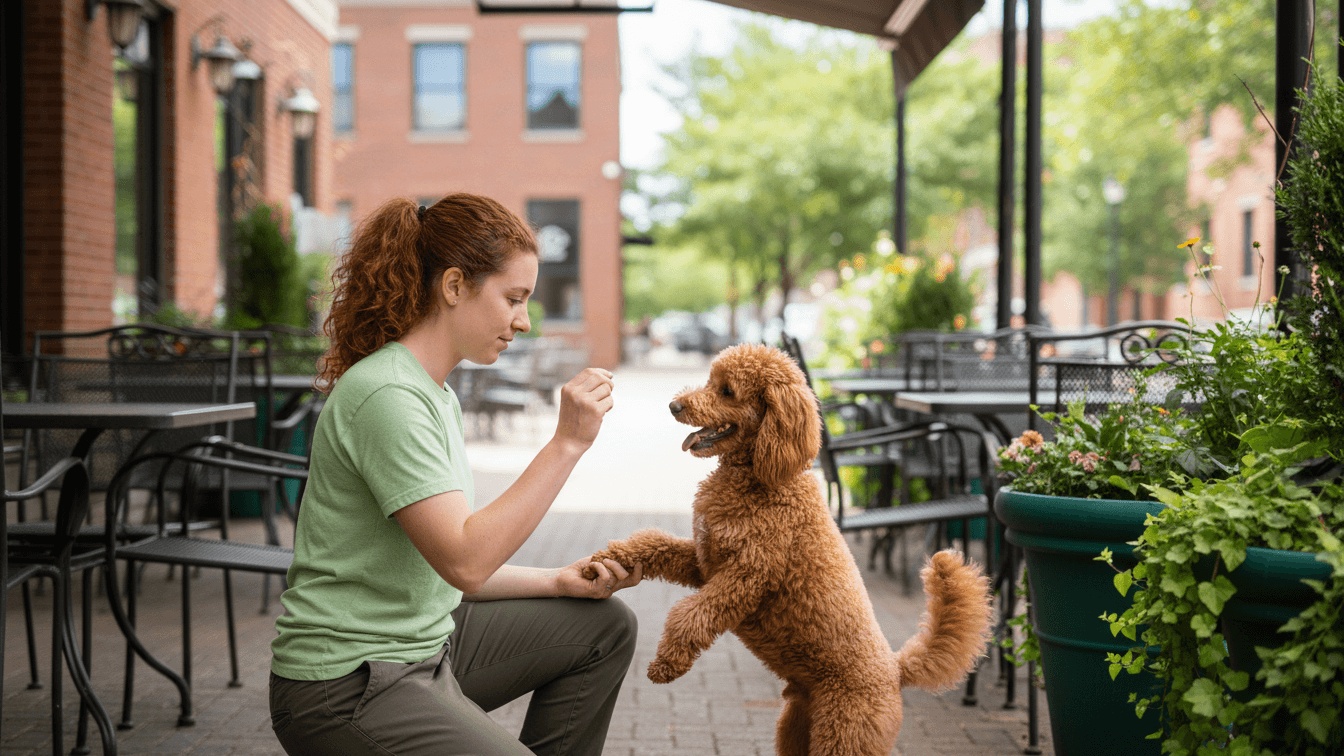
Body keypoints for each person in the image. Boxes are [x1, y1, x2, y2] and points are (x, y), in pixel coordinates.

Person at [269, 193, 643, 756]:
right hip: (345, 683)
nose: (523, 320)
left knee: (603, 627)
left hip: (425, 646)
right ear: (452, 286)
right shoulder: (388, 394)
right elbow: (466, 561)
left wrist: (556, 581)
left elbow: (441, 567)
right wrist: (567, 443)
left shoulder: (433, 393)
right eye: (513, 298)